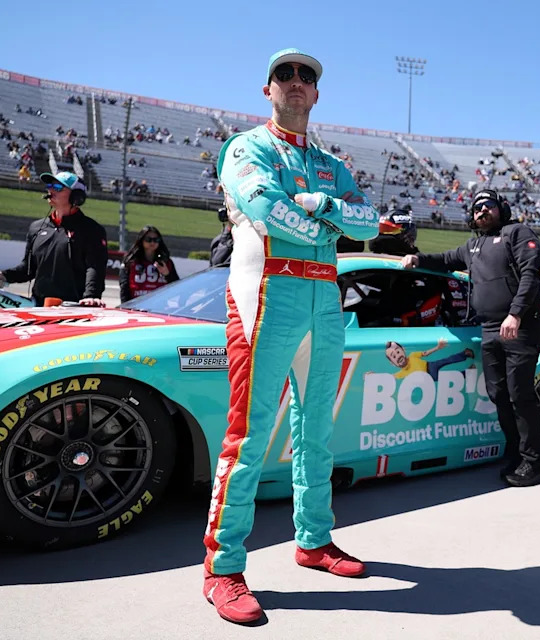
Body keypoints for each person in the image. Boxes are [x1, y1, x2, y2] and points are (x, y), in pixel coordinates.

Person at [202, 47, 378, 625]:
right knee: (248, 437)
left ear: (317, 93)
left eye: (306, 75)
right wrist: (332, 224)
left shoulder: (331, 165)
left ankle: (314, 540)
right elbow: (265, 208)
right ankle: (222, 568)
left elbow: (369, 222)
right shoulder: (245, 147)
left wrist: (324, 205)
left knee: (317, 433)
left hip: (324, 298)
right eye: (285, 74)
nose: (296, 81)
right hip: (266, 294)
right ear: (268, 89)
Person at [402, 188, 540, 487]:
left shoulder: (516, 233)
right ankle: (515, 454)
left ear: (501, 208)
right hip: (489, 329)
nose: (482, 211)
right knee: (499, 395)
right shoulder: (473, 246)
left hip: (520, 327)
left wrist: (516, 313)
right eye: (477, 208)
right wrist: (417, 259)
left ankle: (534, 463)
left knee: (520, 395)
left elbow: (531, 275)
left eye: (488, 205)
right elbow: (444, 259)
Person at [0, 171, 107, 306]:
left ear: (76, 196)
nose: (50, 190)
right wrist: (5, 275)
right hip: (38, 307)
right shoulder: (36, 227)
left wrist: (91, 296)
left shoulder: (92, 230)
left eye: (57, 187)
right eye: (50, 186)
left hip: (73, 308)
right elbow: (28, 269)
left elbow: (95, 268)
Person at [119, 226, 179, 303]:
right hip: (136, 305)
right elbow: (124, 287)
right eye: (148, 239)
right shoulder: (130, 261)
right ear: (141, 240)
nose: (152, 243)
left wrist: (167, 274)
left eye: (156, 240)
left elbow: (177, 286)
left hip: (159, 305)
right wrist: (125, 306)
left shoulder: (166, 262)